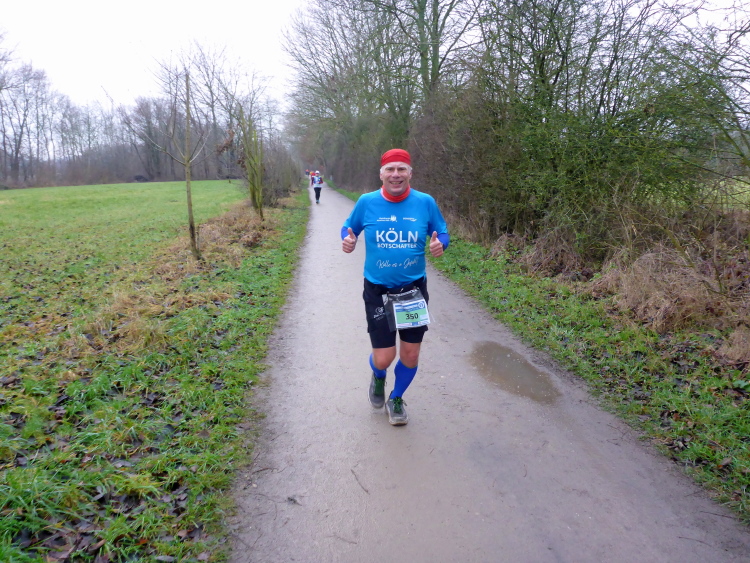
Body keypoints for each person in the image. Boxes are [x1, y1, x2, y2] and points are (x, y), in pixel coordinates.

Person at [341, 148, 449, 425]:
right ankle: (378, 377)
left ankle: (396, 398)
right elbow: (349, 228)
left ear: (410, 173)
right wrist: (349, 240)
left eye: (402, 169)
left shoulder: (425, 202)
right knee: (384, 358)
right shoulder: (367, 202)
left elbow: (442, 231)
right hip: (378, 291)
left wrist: (441, 243)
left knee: (410, 354)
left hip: (412, 291)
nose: (396, 174)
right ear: (381, 174)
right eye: (390, 169)